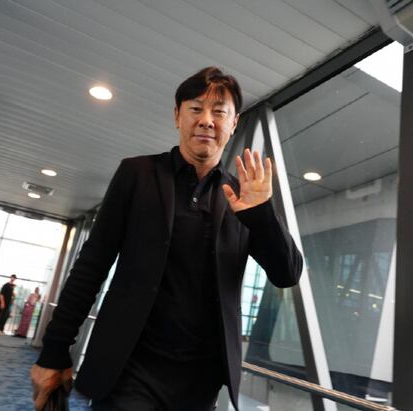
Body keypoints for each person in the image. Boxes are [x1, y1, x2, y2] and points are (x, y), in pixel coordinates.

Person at [31, 67, 303, 411]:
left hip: (201, 382)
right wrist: (54, 352)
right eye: (195, 109)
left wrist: (261, 215)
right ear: (177, 115)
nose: (206, 121)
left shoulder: (242, 196)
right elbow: (91, 266)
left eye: (219, 112)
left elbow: (287, 274)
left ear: (234, 123)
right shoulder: (138, 174)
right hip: (129, 370)